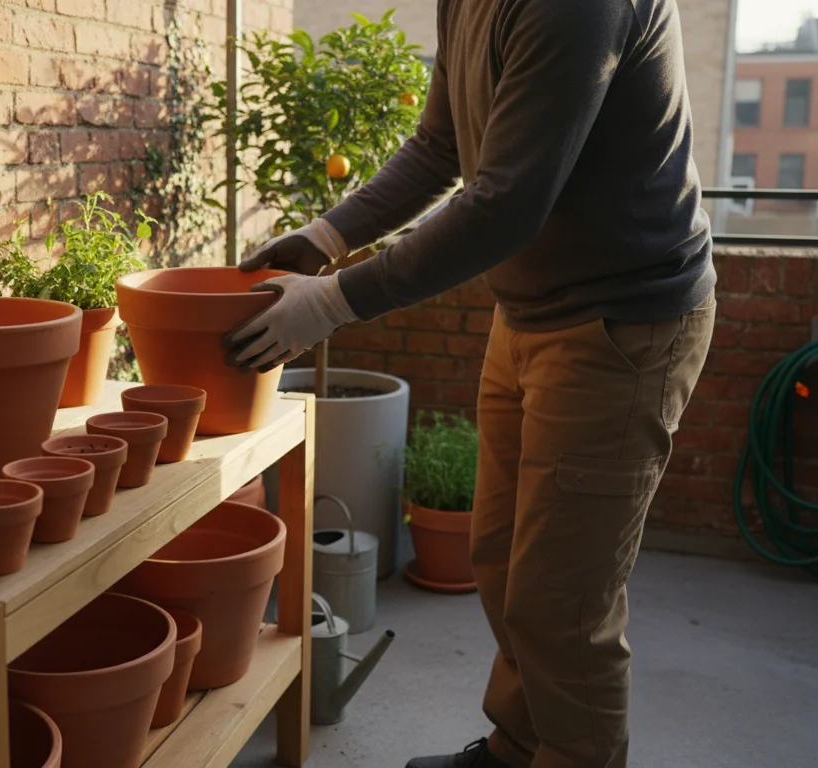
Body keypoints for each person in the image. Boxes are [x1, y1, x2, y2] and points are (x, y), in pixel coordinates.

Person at [223, 0, 717, 766]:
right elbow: (440, 146)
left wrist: (332, 302)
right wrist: (327, 238)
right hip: (526, 315)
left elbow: (507, 204)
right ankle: (518, 747)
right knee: (499, 558)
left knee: (563, 604)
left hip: (621, 326)